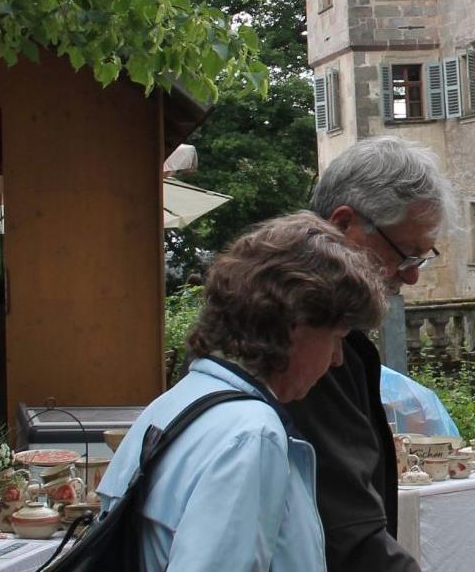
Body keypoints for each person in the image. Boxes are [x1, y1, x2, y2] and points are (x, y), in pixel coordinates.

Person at [96, 212, 385, 572]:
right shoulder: (252, 435)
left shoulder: (176, 403)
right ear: (296, 325)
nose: (338, 359)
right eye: (337, 338)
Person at [285, 136, 455, 572]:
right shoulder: (304, 338)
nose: (412, 277)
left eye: (423, 257)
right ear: (344, 224)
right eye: (405, 255)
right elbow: (348, 529)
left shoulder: (312, 321)